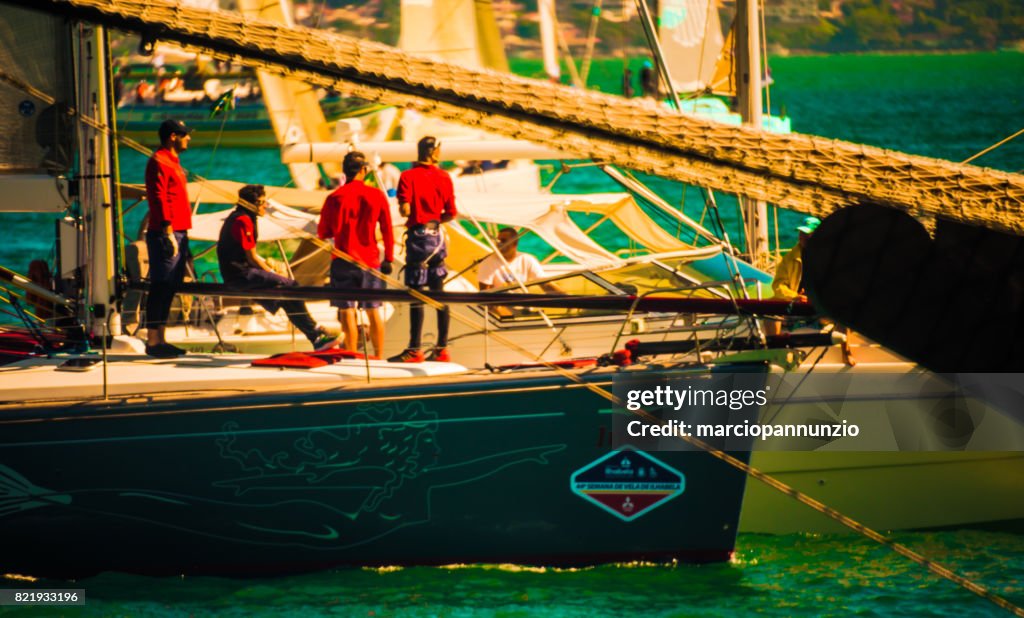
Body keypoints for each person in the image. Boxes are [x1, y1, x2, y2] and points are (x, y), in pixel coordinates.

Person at [218, 184, 339, 352]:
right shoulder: (242, 220)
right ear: (251, 204)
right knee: (292, 286)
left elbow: (251, 254)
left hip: (241, 271)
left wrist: (268, 270)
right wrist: (272, 272)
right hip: (240, 274)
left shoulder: (242, 216)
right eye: (262, 202)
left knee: (285, 297)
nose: (265, 206)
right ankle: (316, 331)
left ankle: (316, 338)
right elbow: (251, 257)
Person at [316, 152, 394, 358]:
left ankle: (350, 355)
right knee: (373, 309)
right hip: (369, 261)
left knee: (346, 310)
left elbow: (323, 232)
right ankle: (378, 355)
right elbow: (387, 229)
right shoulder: (376, 195)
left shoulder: (333, 198)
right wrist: (390, 258)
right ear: (364, 170)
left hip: (342, 259)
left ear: (344, 171)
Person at [390, 136, 456, 363]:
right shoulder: (445, 177)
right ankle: (442, 349)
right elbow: (451, 213)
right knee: (439, 294)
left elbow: (405, 211)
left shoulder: (407, 176)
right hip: (437, 238)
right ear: (435, 152)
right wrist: (435, 219)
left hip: (418, 240)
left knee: (416, 295)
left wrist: (410, 207)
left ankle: (414, 348)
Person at [771, 216, 856, 366]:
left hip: (820, 309)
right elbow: (778, 285)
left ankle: (846, 351)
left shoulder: (830, 258)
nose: (803, 237)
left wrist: (817, 297)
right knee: (769, 310)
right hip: (795, 307)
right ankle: (774, 351)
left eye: (807, 234)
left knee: (844, 310)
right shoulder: (790, 258)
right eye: (801, 233)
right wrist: (794, 297)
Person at [143, 118, 194, 358]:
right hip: (167, 232)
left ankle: (161, 339)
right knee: (161, 285)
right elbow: (159, 197)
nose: (189, 138)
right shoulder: (159, 161)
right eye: (185, 134)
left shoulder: (174, 161)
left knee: (171, 286)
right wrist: (167, 231)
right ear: (173, 136)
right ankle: (153, 341)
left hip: (180, 231)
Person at [478, 227, 562, 294]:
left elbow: (544, 283)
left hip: (523, 305)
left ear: (515, 243)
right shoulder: (488, 263)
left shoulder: (527, 260)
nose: (499, 244)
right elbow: (485, 295)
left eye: (503, 241)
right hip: (500, 306)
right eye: (498, 241)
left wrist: (565, 298)